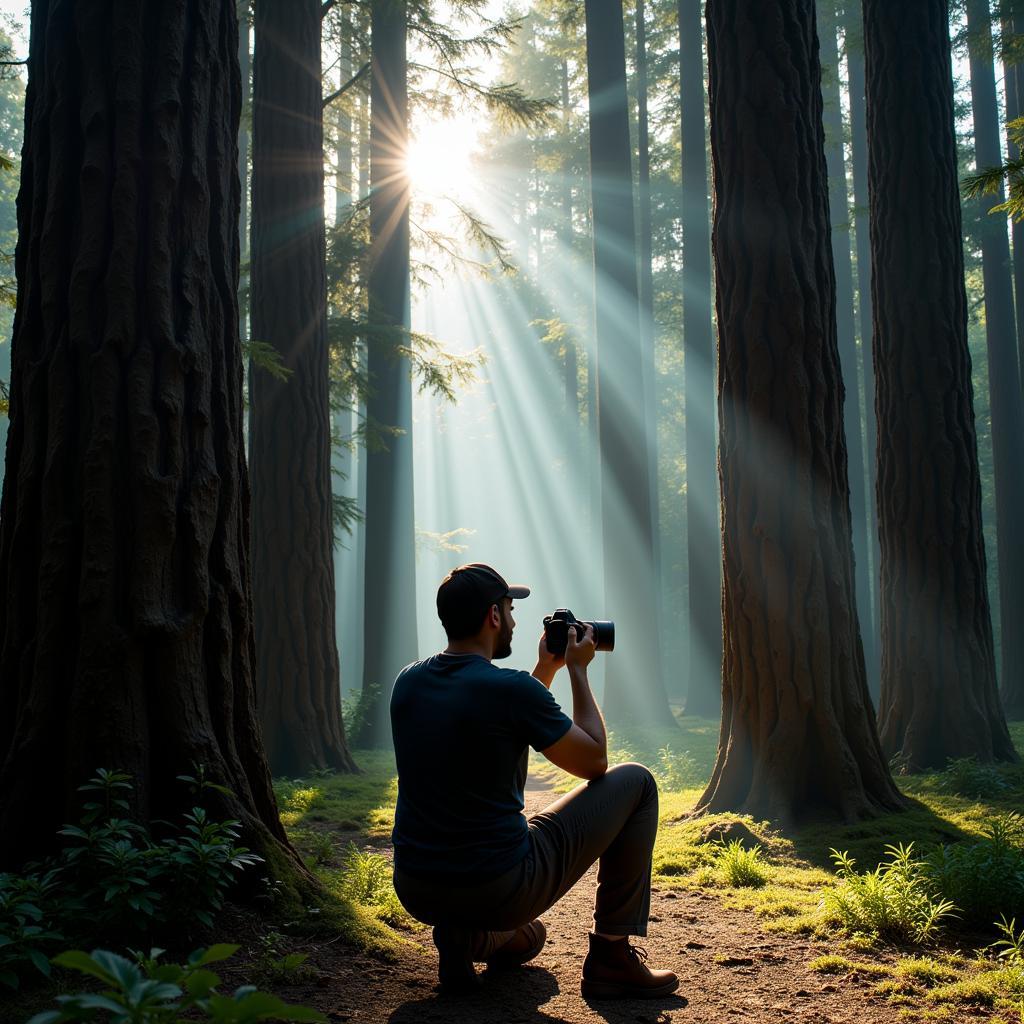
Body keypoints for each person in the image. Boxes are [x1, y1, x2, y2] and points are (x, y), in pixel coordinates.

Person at [389, 562, 678, 1000]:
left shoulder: (408, 682)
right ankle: (611, 957)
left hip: (417, 885)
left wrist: (546, 669)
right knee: (636, 782)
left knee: (532, 938)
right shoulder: (510, 691)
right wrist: (578, 671)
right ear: (493, 616)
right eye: (509, 608)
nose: (514, 620)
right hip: (498, 884)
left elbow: (496, 722)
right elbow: (595, 762)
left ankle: (462, 939)